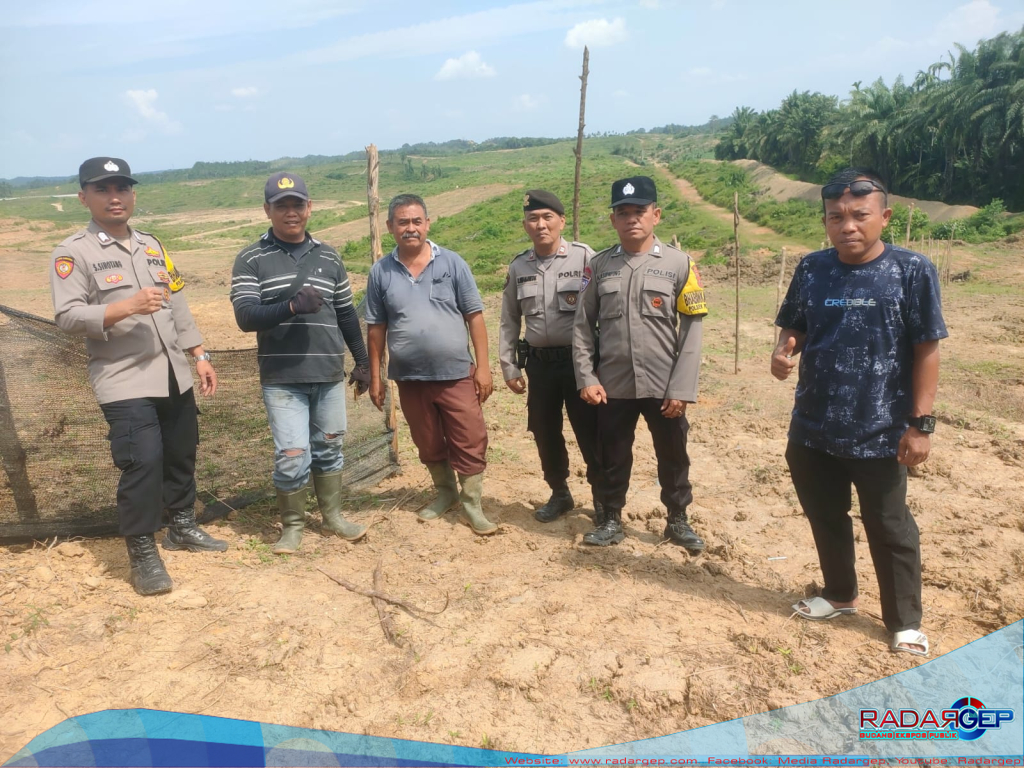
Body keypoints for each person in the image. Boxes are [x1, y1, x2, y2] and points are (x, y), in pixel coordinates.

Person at [772, 168, 946, 658]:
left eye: (859, 215)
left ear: (884, 217)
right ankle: (839, 594)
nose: (847, 225)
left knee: (889, 526)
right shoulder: (812, 268)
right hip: (812, 426)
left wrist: (920, 425)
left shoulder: (912, 271)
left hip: (882, 430)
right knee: (825, 515)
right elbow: (796, 326)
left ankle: (904, 622)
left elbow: (927, 349)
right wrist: (783, 352)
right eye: (836, 217)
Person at [50, 156, 227, 597]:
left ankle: (182, 526)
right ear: (83, 197)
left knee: (181, 452)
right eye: (103, 189)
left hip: (173, 371)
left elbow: (178, 303)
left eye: (122, 188)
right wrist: (127, 305)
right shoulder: (74, 252)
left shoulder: (152, 245)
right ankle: (143, 552)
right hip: (124, 378)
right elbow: (67, 317)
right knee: (142, 461)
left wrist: (199, 354)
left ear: (132, 194)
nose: (115, 197)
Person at [230, 172, 370, 554]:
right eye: (281, 206)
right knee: (292, 455)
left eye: (297, 205)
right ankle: (292, 527)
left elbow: (345, 315)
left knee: (328, 447)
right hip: (282, 378)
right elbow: (245, 317)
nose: (290, 213)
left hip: (327, 374)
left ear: (309, 208)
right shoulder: (251, 258)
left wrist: (363, 363)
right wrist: (290, 306)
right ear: (267, 210)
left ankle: (333, 517)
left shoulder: (329, 257)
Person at [572, 176, 708, 550]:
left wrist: (682, 388)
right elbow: (582, 326)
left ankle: (678, 521)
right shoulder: (599, 266)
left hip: (665, 386)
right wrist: (586, 376)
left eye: (640, 211)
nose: (632, 218)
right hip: (613, 384)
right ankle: (611, 518)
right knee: (612, 455)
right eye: (623, 212)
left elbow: (692, 331)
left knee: (674, 456)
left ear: (656, 215)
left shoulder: (681, 264)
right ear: (613, 219)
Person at [365, 193, 497, 535]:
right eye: (403, 222)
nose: (411, 228)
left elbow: (475, 317)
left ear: (428, 223)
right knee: (427, 440)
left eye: (416, 221)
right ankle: (445, 493)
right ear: (391, 227)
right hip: (409, 377)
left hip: (456, 373)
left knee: (469, 437)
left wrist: (482, 367)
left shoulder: (452, 263)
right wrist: (376, 376)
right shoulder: (381, 271)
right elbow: (376, 329)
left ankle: (472, 504)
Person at [499, 190, 602, 524]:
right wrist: (509, 365)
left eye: (547, 217)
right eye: (533, 218)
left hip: (580, 363)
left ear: (561, 221)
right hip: (540, 364)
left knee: (590, 430)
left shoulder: (586, 257)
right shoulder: (518, 267)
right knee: (544, 429)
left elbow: (606, 309)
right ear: (525, 224)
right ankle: (559, 492)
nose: (540, 224)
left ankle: (603, 498)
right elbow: (509, 319)